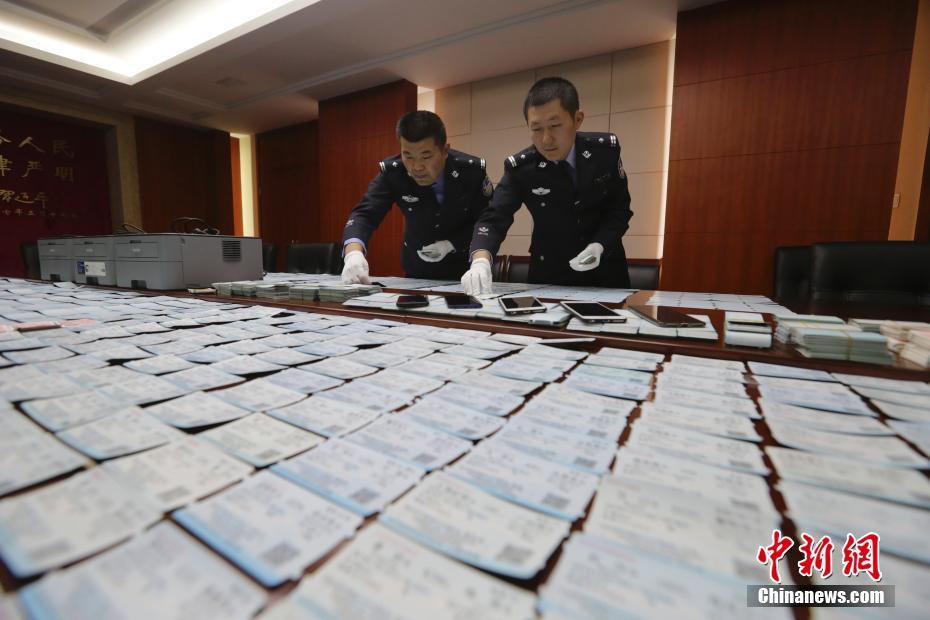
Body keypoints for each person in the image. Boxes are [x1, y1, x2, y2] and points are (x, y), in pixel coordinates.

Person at [461, 77, 633, 295]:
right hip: (549, 275)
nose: (546, 139)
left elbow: (619, 209)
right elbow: (493, 218)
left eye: (555, 126)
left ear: (577, 119)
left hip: (607, 272)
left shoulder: (604, 153)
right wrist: (481, 260)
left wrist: (599, 245)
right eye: (536, 128)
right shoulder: (522, 168)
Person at [341, 111, 493, 283]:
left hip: (466, 273)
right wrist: (353, 253)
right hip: (416, 272)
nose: (417, 167)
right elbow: (364, 214)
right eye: (408, 156)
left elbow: (487, 221)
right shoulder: (394, 173)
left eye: (426, 156)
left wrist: (451, 245)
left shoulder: (470, 173)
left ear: (445, 151)